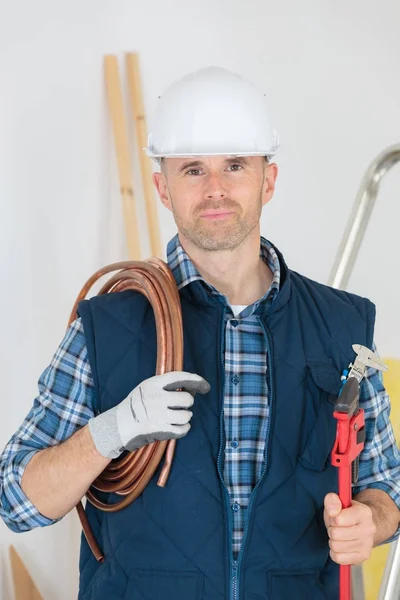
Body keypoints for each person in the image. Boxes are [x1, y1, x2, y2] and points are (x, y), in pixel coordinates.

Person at [1, 66, 399, 600]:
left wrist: (371, 522)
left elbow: (385, 484)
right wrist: (109, 433)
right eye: (193, 169)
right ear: (163, 188)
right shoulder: (107, 327)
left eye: (235, 164)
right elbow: (16, 500)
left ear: (268, 180)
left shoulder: (343, 328)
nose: (215, 188)